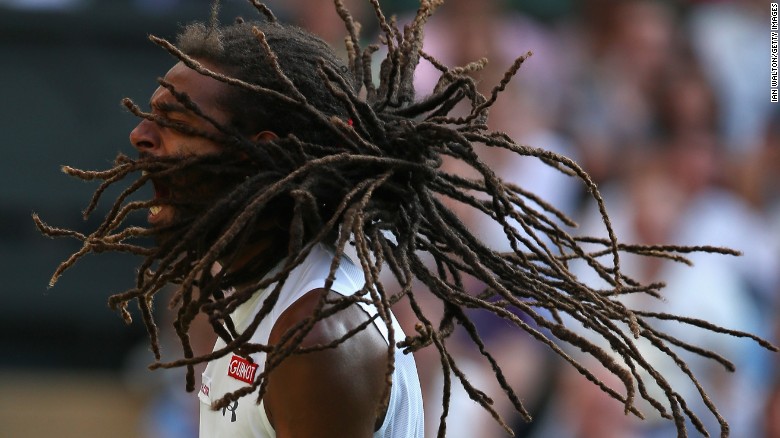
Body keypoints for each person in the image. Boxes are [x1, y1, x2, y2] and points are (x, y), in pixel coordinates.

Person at [33, 1, 777, 437]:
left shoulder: (319, 337)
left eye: (175, 118)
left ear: (258, 154)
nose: (139, 136)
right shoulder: (239, 288)